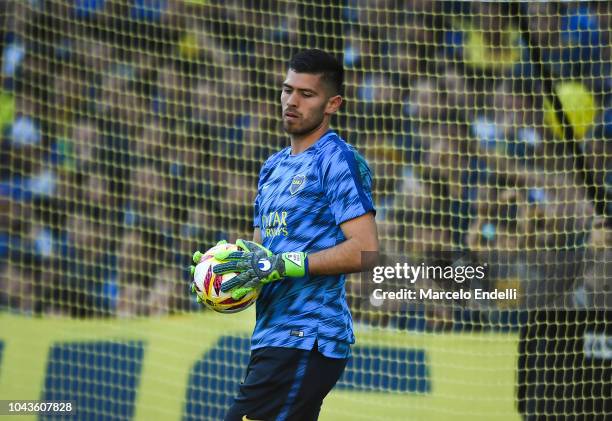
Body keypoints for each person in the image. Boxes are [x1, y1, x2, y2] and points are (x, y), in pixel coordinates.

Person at [191, 49, 379, 421]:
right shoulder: (272, 168)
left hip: (307, 335)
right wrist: (220, 274)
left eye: (306, 94)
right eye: (287, 90)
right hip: (271, 336)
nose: (292, 101)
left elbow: (365, 251)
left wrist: (283, 264)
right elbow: (259, 259)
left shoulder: (337, 159)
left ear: (333, 103)